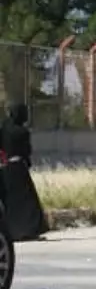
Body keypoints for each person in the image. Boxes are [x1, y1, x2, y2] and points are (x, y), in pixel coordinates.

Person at [0, 103, 49, 241]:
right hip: (19, 168)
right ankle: (29, 231)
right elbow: (26, 151)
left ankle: (10, 233)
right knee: (27, 202)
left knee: (9, 203)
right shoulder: (22, 132)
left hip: (5, 169)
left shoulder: (3, 129)